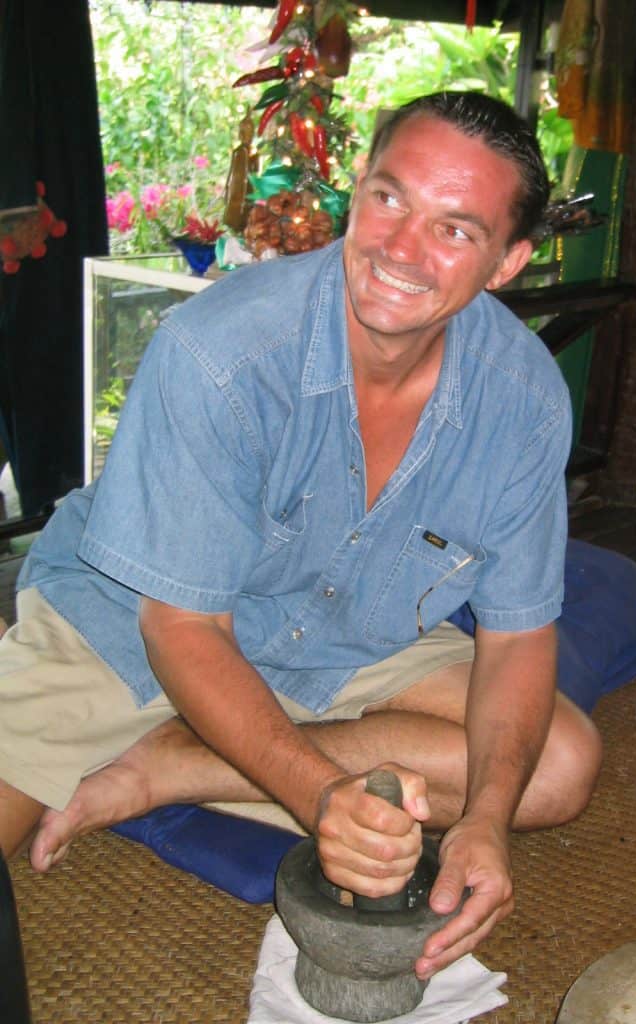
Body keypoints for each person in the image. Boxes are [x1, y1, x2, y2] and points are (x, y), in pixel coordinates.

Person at [0, 91, 602, 980]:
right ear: (357, 187)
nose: (400, 249)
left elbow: (517, 639)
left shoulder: (522, 399)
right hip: (131, 617)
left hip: (343, 631)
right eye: (390, 198)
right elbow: (182, 630)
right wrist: (319, 796)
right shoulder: (222, 349)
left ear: (508, 260)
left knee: (555, 765)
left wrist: (483, 820)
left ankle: (173, 765)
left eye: (455, 229)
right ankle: (200, 744)